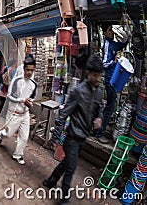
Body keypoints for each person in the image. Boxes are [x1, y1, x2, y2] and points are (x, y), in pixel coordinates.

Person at [43, 54, 104, 205]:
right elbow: (63, 115)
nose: (98, 79)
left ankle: (51, 181)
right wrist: (55, 139)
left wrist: (99, 119)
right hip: (72, 138)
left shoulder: (99, 92)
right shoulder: (78, 91)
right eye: (95, 75)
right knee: (71, 169)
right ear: (88, 73)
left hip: (83, 137)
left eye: (100, 76)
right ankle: (64, 199)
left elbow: (99, 109)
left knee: (66, 164)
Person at [0, 55, 37, 165]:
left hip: (25, 114)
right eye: (27, 70)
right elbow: (9, 96)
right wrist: (22, 100)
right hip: (14, 112)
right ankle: (0, 135)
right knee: (9, 133)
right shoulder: (17, 81)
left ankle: (18, 154)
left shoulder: (33, 84)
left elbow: (33, 96)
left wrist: (30, 101)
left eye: (32, 70)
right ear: (23, 69)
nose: (29, 72)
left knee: (24, 136)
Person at [95, 25, 128, 144]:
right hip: (110, 81)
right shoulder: (107, 45)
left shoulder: (113, 43)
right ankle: (99, 133)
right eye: (110, 30)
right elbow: (104, 63)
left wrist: (125, 36)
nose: (112, 32)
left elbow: (123, 43)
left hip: (114, 79)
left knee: (109, 107)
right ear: (105, 32)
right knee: (109, 108)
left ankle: (99, 130)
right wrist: (114, 62)